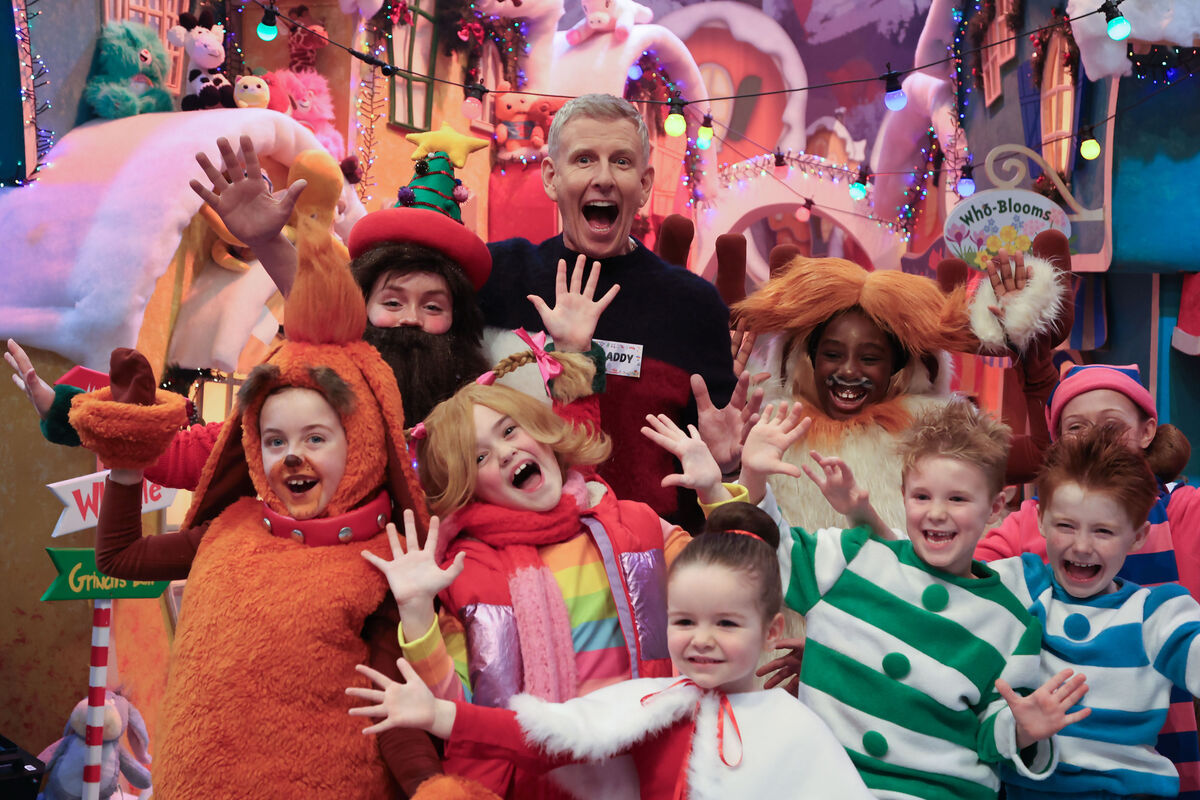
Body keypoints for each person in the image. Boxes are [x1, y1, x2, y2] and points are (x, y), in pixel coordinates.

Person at [65, 216, 438, 797]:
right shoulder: (233, 528)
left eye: (316, 438)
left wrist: (429, 787)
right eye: (275, 441)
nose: (292, 457)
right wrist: (124, 462)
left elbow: (394, 709)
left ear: (359, 442)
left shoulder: (387, 563)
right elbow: (118, 557)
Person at [346, 505, 875, 800]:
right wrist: (440, 713)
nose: (702, 638)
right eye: (684, 621)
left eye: (727, 623)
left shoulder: (797, 727)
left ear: (771, 629)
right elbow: (548, 739)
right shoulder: (652, 703)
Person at [732, 399, 1088, 799]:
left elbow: (994, 731)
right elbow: (764, 560)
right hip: (824, 781)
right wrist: (754, 478)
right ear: (902, 496)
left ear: (996, 507)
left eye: (957, 499)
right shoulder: (853, 556)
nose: (936, 513)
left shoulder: (1012, 624)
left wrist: (1021, 729)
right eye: (921, 496)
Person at [478, 93, 739, 526]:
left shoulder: (692, 304)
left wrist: (727, 462)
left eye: (621, 161)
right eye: (583, 160)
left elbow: (718, 461)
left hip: (656, 558)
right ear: (551, 177)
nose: (603, 178)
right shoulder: (498, 275)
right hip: (521, 551)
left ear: (645, 185)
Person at [975, 362, 1200, 798]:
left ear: (1148, 430)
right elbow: (949, 588)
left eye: (1103, 530)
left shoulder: (1180, 519)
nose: (1082, 545)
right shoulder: (1026, 562)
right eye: (1077, 427)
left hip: (1156, 753)